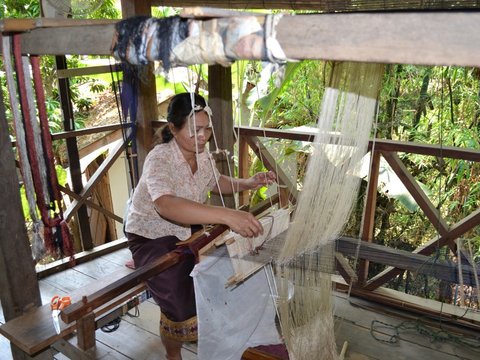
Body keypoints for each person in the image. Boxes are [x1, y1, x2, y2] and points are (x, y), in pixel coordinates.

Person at [124, 92, 276, 360]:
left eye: (207, 129)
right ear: (173, 128)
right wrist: (226, 216)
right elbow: (165, 205)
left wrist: (248, 182)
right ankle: (173, 354)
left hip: (185, 233)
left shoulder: (202, 154)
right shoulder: (160, 158)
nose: (203, 136)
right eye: (195, 130)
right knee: (179, 303)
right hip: (149, 235)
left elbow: (216, 182)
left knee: (221, 278)